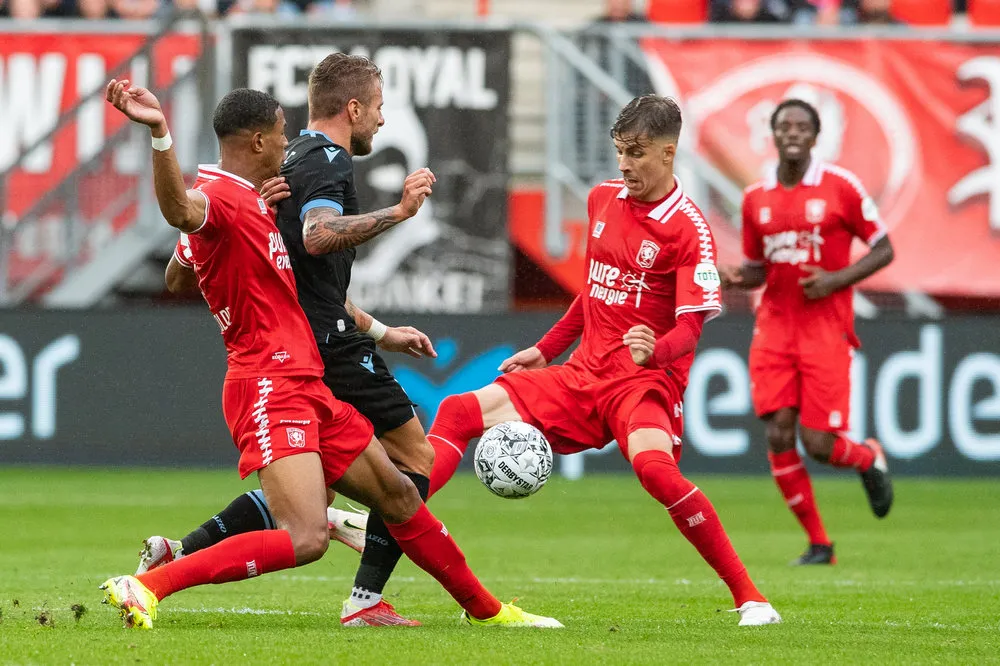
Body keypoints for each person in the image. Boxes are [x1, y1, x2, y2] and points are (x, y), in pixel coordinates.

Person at [99, 80, 561, 630]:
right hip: (269, 386)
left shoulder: (247, 198)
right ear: (255, 141)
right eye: (278, 134)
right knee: (307, 536)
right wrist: (159, 133)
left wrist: (233, 228)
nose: (286, 141)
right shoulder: (218, 195)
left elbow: (179, 275)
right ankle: (149, 586)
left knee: (399, 495)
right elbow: (180, 209)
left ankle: (490, 613)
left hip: (307, 382)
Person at [138, 53, 472, 628]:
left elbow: (277, 278)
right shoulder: (306, 168)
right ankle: (364, 599)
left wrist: (383, 331)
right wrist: (399, 212)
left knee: (339, 496)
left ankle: (181, 553)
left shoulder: (262, 188)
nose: (382, 120)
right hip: (290, 362)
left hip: (302, 357)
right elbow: (311, 239)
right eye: (380, 108)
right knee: (382, 481)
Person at [426, 95, 781, 627]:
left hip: (643, 383)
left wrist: (651, 352)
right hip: (581, 374)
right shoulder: (602, 199)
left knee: (655, 471)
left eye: (636, 153)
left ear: (668, 152)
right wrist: (545, 350)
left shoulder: (691, 231)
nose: (624, 164)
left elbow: (690, 327)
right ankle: (395, 515)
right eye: (619, 151)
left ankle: (751, 598)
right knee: (458, 410)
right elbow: (592, 294)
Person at [719, 98, 895, 566]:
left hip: (825, 329)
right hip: (775, 327)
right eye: (784, 126)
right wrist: (738, 277)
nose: (792, 133)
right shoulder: (756, 197)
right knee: (778, 433)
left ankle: (866, 458)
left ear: (816, 137)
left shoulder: (841, 187)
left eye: (802, 126)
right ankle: (820, 544)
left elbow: (885, 248)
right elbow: (760, 268)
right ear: (773, 135)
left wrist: (835, 280)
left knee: (819, 445)